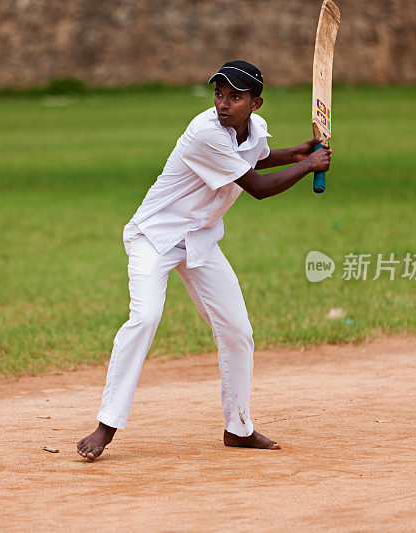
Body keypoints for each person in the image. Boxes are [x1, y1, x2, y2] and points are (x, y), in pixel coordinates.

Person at [77, 60, 331, 461]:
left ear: (256, 103)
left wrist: (293, 153)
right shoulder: (205, 133)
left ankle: (238, 428)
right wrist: (308, 166)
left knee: (237, 330)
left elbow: (254, 158)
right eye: (219, 94)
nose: (224, 103)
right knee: (144, 319)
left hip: (200, 242)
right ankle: (105, 426)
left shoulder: (254, 130)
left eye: (235, 97)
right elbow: (259, 188)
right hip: (155, 238)